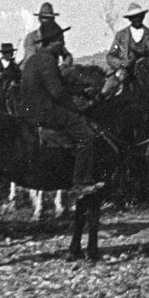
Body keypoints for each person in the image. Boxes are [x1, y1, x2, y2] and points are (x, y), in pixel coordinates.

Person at [18, 22, 101, 194]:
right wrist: (76, 107)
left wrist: (80, 91)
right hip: (45, 111)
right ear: (53, 41)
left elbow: (55, 85)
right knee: (87, 135)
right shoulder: (48, 60)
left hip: (27, 110)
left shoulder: (34, 59)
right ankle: (81, 182)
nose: (63, 44)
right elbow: (57, 93)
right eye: (61, 40)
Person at [103, 2, 149, 97]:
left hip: (147, 71)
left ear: (143, 16)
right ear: (129, 19)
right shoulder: (121, 35)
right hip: (126, 70)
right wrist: (122, 63)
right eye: (134, 17)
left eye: (139, 16)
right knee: (106, 91)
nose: (137, 19)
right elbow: (110, 56)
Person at [20, 2, 73, 70]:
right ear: (39, 19)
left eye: (50, 18)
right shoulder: (31, 37)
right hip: (31, 72)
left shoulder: (55, 38)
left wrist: (64, 65)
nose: (47, 21)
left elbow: (67, 55)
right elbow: (31, 58)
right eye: (44, 18)